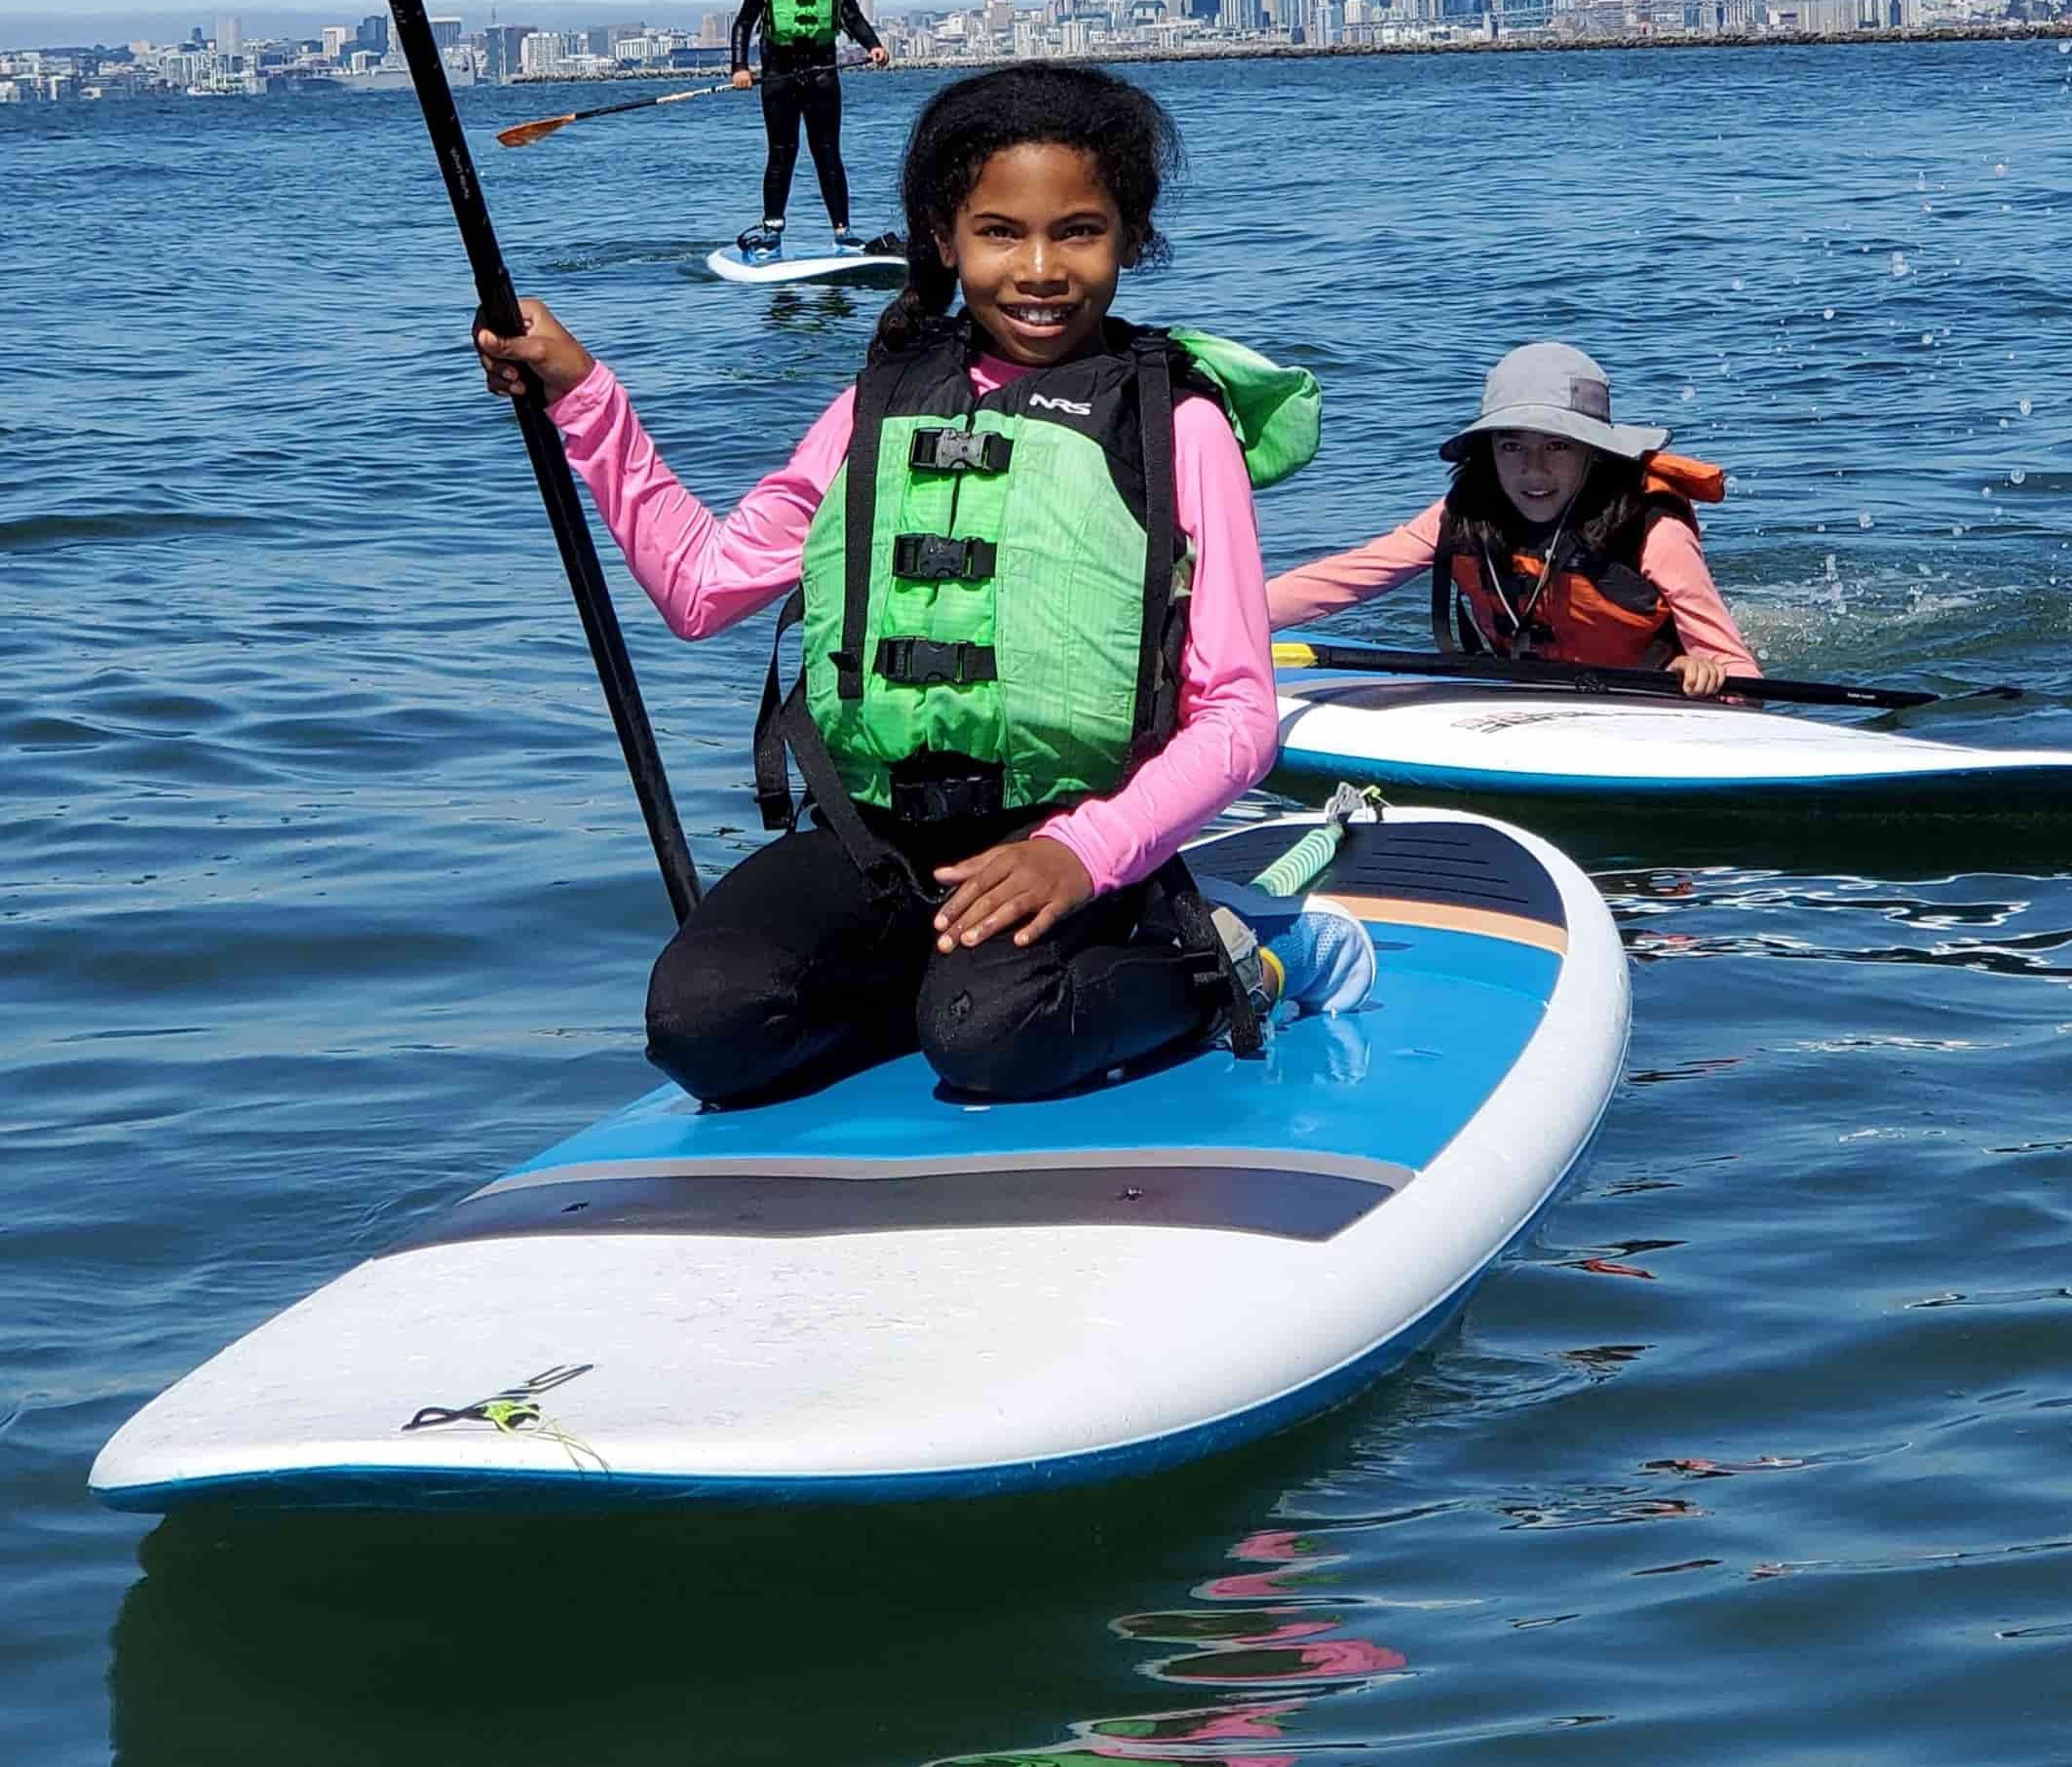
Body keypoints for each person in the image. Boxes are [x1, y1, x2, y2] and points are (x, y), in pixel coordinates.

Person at [475, 63, 1363, 1111]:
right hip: (875, 841)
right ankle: (939, 984)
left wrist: (1082, 854)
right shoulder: (878, 405)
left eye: (1078, 230)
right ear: (944, 238)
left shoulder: (1177, 426)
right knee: (703, 1029)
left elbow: (1238, 717)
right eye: (999, 232)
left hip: (1075, 834)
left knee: (993, 1038)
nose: (1039, 269)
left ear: (1129, 236)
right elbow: (703, 588)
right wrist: (585, 398)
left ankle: (1248, 952)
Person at [1266, 341, 1758, 696]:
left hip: (1643, 695)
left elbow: (1743, 679)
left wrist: (1705, 677)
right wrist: (1216, 623)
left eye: (1558, 446)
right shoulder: (1461, 515)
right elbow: (1338, 581)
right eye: (1512, 446)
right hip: (1520, 690)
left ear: (1595, 453)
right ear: (1487, 452)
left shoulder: (1653, 530)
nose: (1534, 470)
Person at [729, 0, 892, 260]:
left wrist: (874, 45)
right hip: (779, 77)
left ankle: (843, 234)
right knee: (781, 154)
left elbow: (852, 17)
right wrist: (739, 67)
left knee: (828, 153)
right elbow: (744, 23)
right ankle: (772, 236)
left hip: (822, 76)